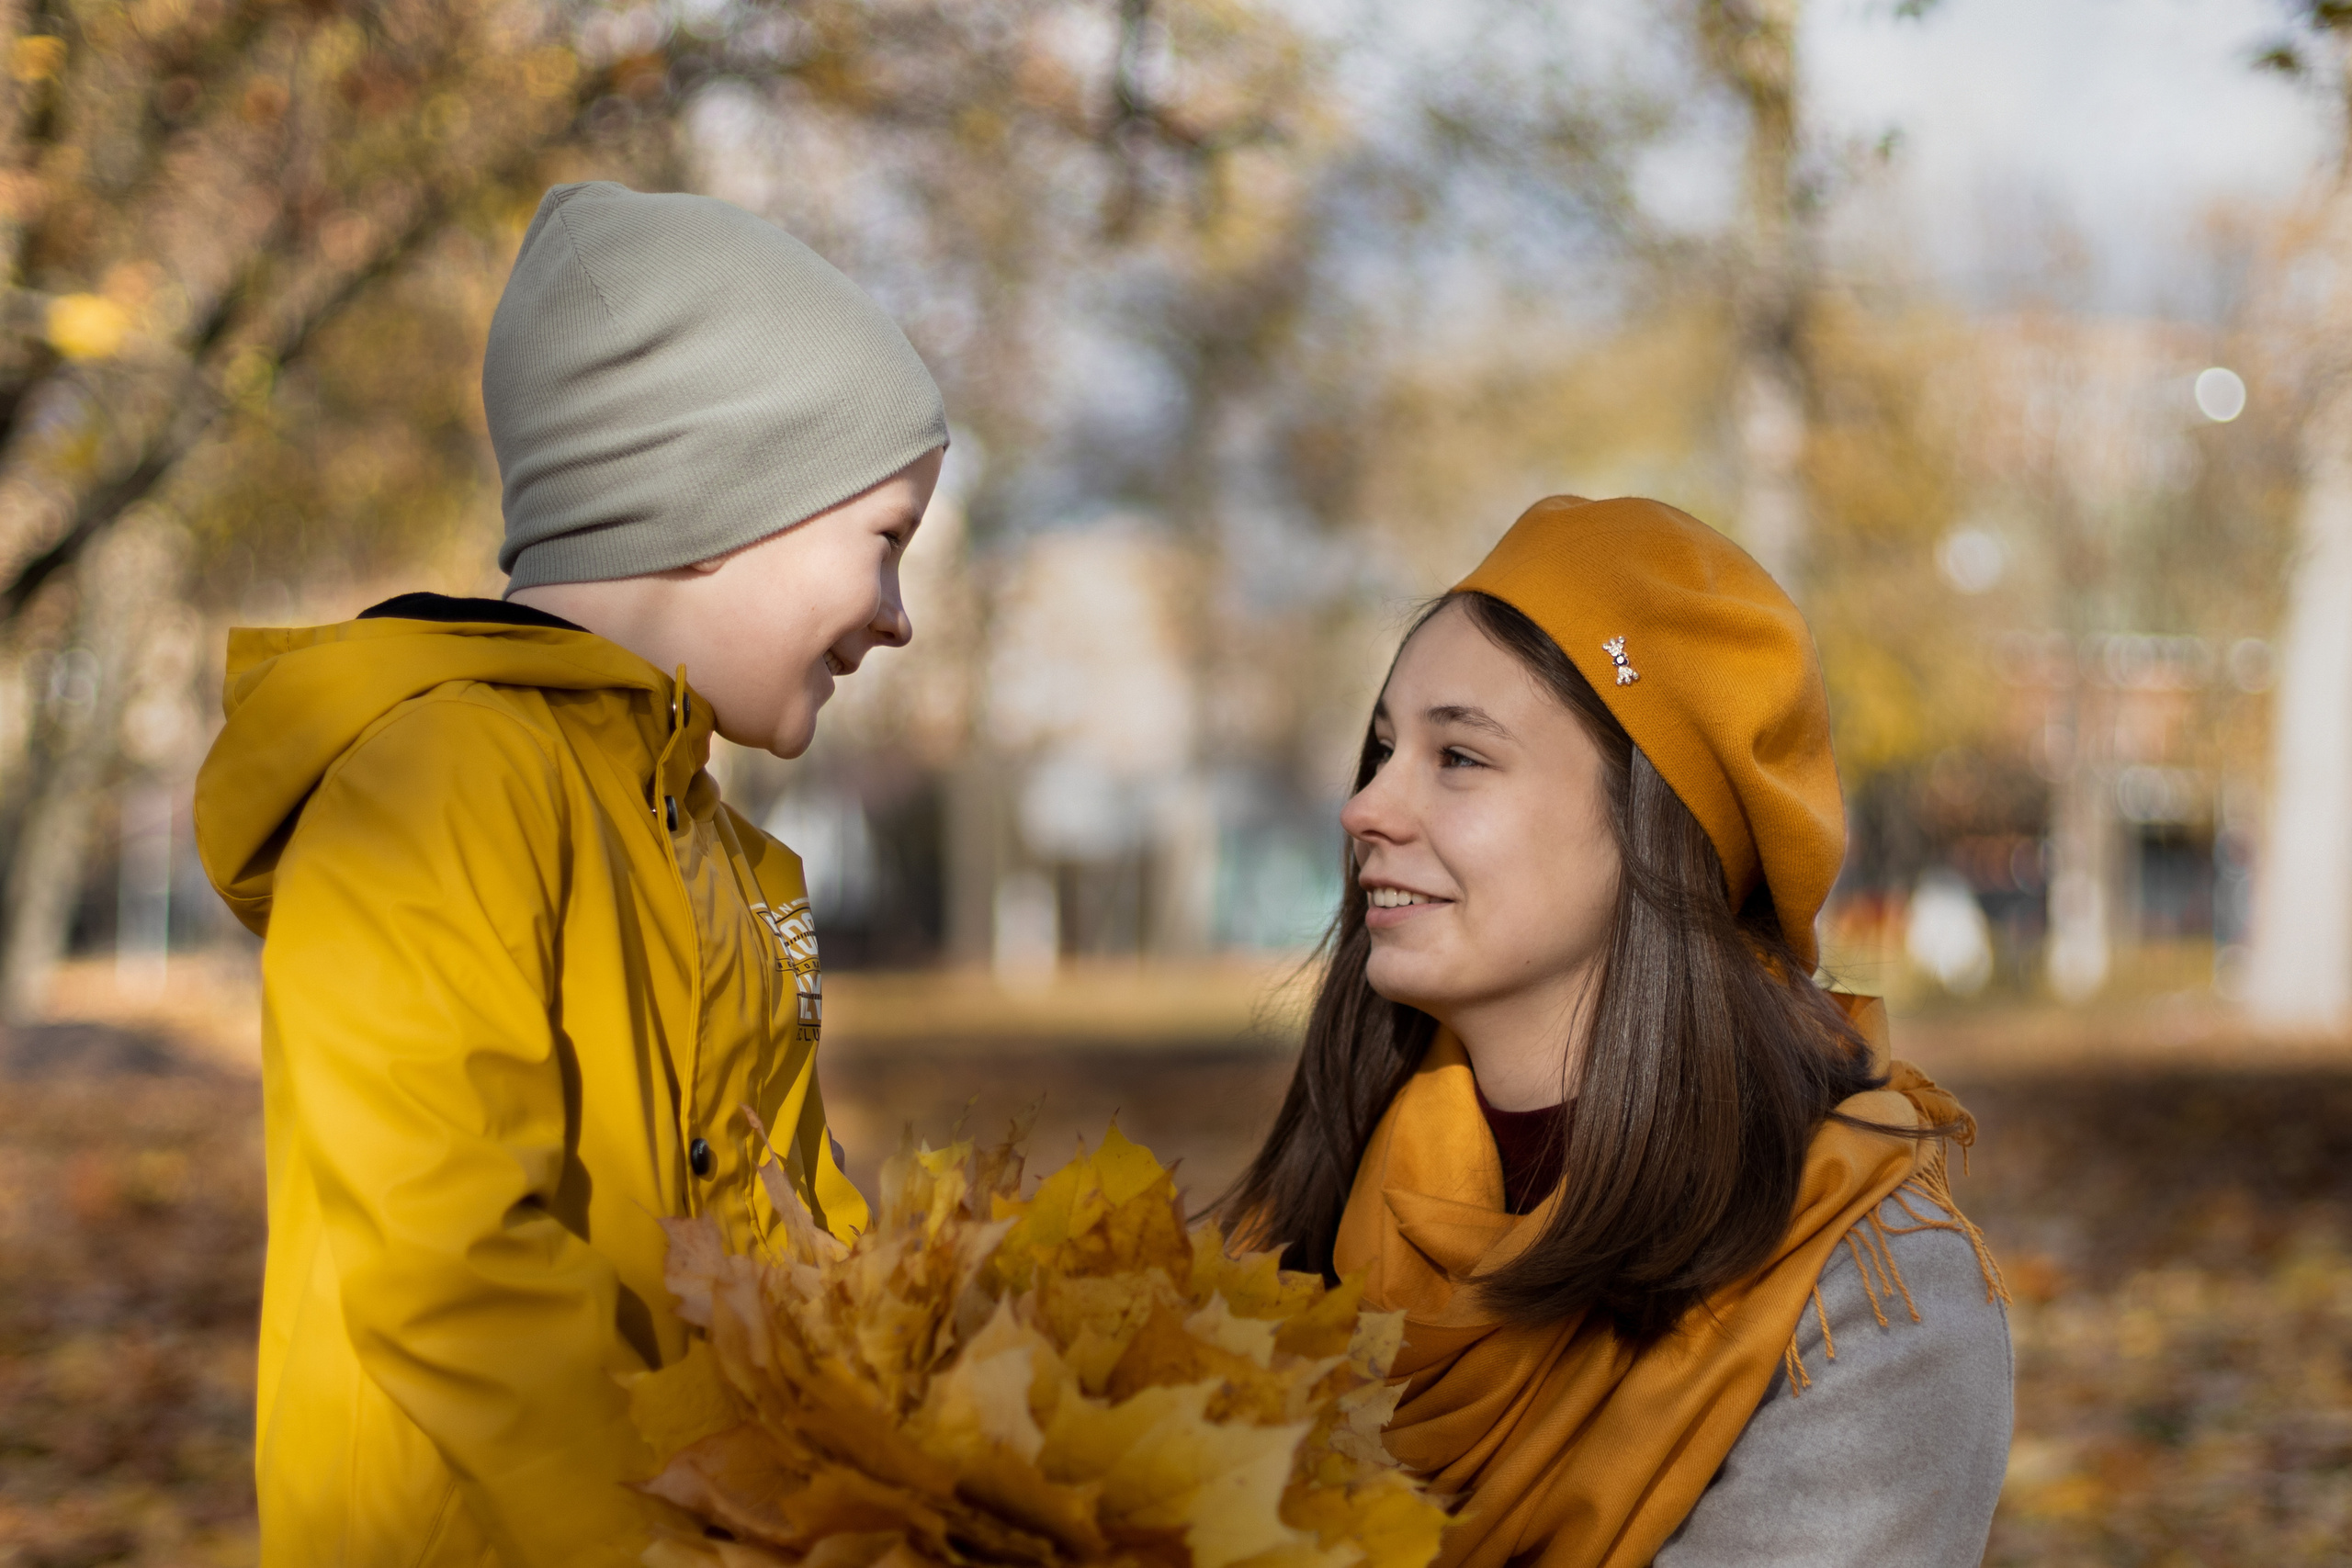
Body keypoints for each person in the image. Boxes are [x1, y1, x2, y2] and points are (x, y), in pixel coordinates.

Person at [193, 182, 947, 1568]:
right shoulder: (436, 786)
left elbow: (805, 1233)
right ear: (719, 498)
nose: (899, 619)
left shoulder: (728, 858)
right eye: (887, 541)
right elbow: (446, 1253)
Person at [1222, 495, 2013, 1568]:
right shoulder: (1318, 1202)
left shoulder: (1863, 1293)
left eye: (1458, 757)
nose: (1366, 808)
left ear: (1656, 820)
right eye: (1384, 750)